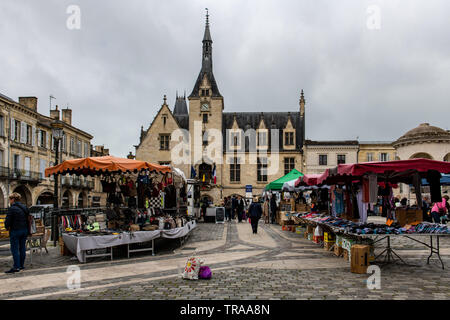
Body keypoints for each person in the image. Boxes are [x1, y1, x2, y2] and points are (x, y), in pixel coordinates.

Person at [5, 193, 30, 274]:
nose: (9, 201)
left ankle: (16, 267)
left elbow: (7, 221)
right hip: (24, 230)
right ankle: (21, 266)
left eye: (10, 199)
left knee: (15, 249)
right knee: (22, 248)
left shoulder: (12, 208)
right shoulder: (25, 207)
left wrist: (6, 226)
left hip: (15, 231)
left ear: (13, 199)